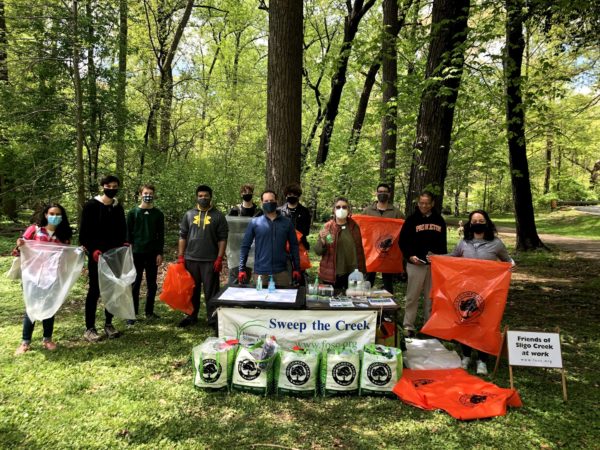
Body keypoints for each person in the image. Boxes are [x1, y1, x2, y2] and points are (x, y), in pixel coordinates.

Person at [449, 209, 515, 376]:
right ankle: (466, 356)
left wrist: (511, 265)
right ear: (469, 224)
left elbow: (507, 260)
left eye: (481, 220)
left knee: (485, 324)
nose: (477, 223)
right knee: (465, 321)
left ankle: (482, 360)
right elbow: (452, 258)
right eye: (474, 220)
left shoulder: (496, 243)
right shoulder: (463, 243)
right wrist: (435, 258)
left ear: (487, 222)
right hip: (466, 290)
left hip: (488, 291)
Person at [14, 203, 73, 355]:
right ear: (46, 215)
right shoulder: (35, 230)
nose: (55, 217)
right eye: (52, 213)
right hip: (32, 276)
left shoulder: (64, 236)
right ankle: (25, 342)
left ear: (62, 217)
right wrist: (20, 244)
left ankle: (47, 339)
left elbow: (67, 255)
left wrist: (77, 253)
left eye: (58, 214)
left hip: (52, 276)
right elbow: (21, 245)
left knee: (49, 307)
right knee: (31, 307)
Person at [79, 175, 128, 342]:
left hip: (115, 254)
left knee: (113, 289)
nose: (112, 188)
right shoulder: (91, 206)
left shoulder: (117, 207)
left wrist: (124, 244)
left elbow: (122, 229)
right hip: (97, 255)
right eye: (109, 185)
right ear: (103, 186)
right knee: (95, 290)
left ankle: (109, 324)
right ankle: (90, 328)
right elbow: (84, 233)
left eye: (115, 186)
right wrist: (92, 250)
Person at [178, 184, 228, 328]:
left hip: (210, 260)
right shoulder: (188, 214)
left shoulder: (218, 216)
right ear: (196, 197)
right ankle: (190, 316)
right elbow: (183, 236)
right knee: (191, 290)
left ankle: (212, 319)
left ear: (210, 197)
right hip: (190, 259)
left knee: (211, 291)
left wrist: (219, 258)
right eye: (200, 196)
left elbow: (223, 239)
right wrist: (181, 256)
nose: (203, 198)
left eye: (206, 196)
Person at [399, 191, 447, 338]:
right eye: (421, 203)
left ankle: (429, 326)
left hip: (434, 265)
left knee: (431, 297)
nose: (424, 205)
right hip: (415, 264)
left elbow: (443, 243)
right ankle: (408, 326)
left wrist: (439, 257)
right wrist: (410, 256)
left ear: (432, 204)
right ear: (418, 203)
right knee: (412, 296)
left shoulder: (439, 220)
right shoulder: (411, 220)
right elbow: (402, 242)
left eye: (427, 203)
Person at [238, 190, 301, 287]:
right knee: (260, 301)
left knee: (282, 301)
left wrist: (297, 268)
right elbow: (245, 246)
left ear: (276, 201)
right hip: (261, 273)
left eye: (271, 200)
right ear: (261, 202)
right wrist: (241, 269)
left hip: (281, 272)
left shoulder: (287, 223)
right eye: (266, 201)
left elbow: (294, 246)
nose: (269, 203)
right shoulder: (255, 222)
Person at [126, 183, 165, 325]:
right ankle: (132, 313)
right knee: (135, 284)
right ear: (140, 194)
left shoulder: (158, 214)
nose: (148, 195)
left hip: (152, 253)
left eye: (150, 193)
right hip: (136, 253)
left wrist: (160, 252)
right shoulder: (132, 213)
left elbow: (160, 235)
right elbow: (128, 235)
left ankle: (149, 311)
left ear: (154, 195)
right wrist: (128, 253)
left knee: (152, 283)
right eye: (145, 193)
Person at [314, 197, 366, 290]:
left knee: (351, 302)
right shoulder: (327, 227)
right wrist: (322, 240)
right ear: (334, 210)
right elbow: (318, 251)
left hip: (352, 273)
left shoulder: (354, 226)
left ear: (348, 209)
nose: (341, 209)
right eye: (338, 207)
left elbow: (359, 250)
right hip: (332, 274)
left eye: (344, 207)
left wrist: (362, 271)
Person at [363, 182, 404, 294]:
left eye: (385, 192)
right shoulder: (367, 211)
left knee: (388, 281)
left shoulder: (396, 212)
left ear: (389, 194)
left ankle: (389, 308)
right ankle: (365, 304)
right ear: (376, 193)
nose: (382, 194)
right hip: (371, 250)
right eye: (380, 192)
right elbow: (362, 228)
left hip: (388, 251)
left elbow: (402, 230)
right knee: (368, 279)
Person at [279, 182, 312, 285]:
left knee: (299, 275)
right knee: (284, 274)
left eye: (294, 195)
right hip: (282, 247)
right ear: (286, 195)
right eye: (289, 195)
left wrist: (294, 238)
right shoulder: (279, 211)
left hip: (300, 247)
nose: (291, 197)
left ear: (298, 196)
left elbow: (305, 231)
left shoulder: (305, 211)